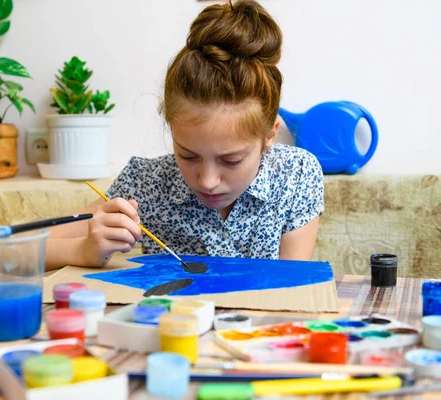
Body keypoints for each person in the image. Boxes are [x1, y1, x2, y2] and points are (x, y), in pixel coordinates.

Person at [45, 0, 324, 270]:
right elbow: (10, 248)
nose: (208, 181)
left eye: (231, 160)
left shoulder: (296, 174)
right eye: (187, 155)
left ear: (270, 136)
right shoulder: (145, 184)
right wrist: (83, 248)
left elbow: (292, 288)